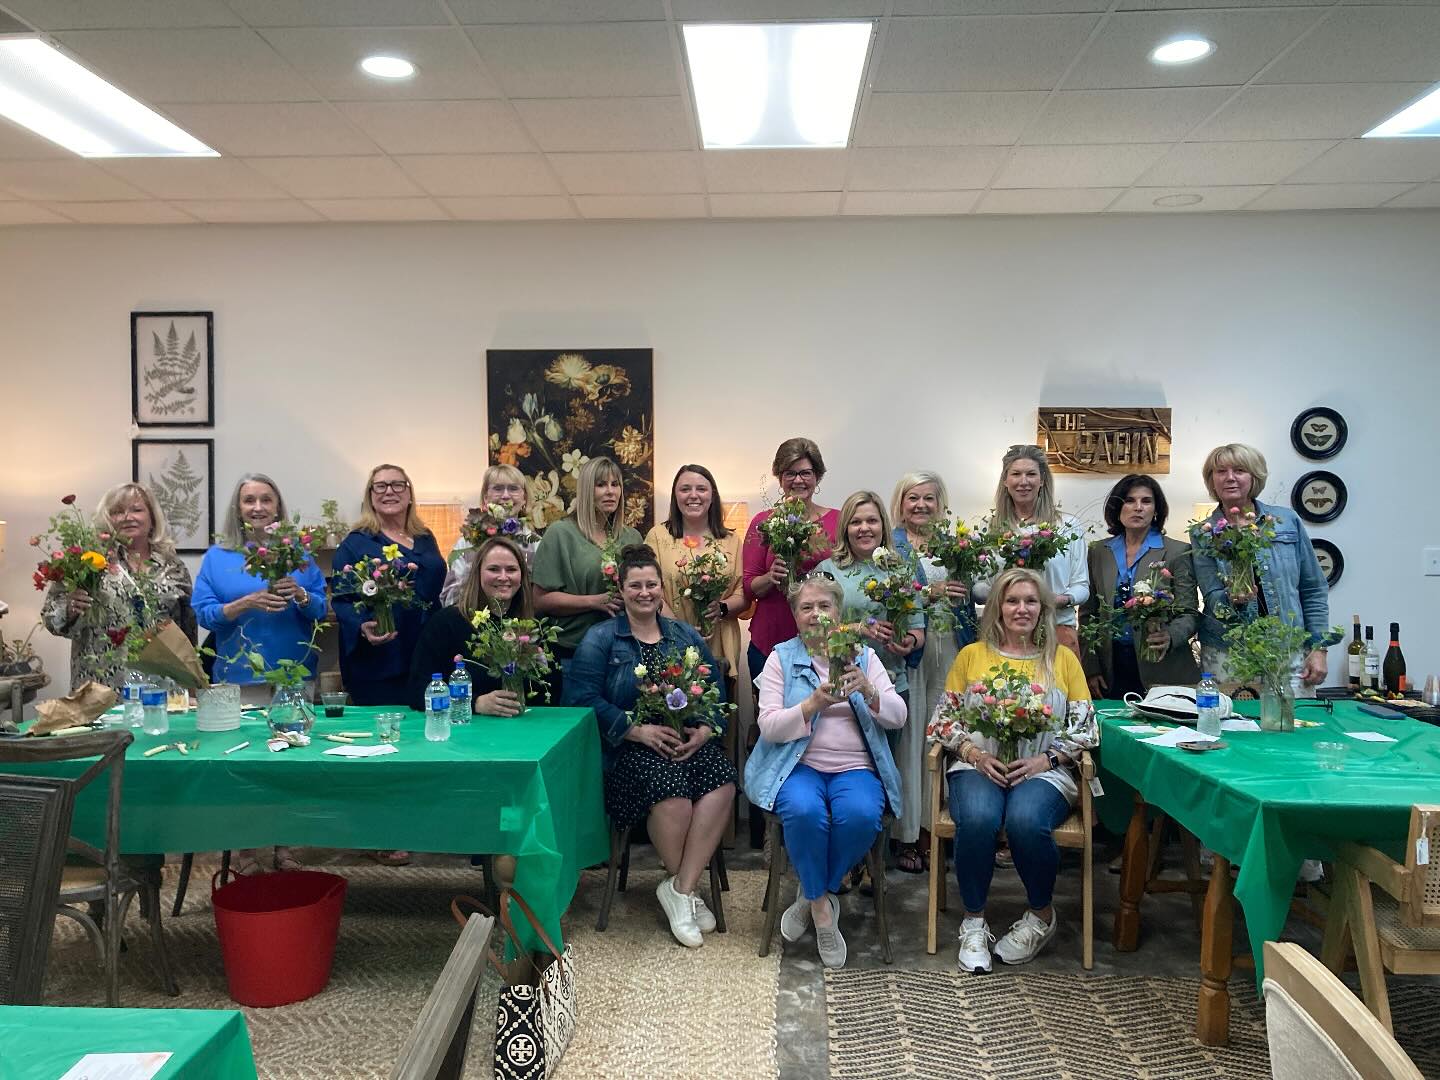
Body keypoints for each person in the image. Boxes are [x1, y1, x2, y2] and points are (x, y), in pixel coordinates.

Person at [562, 544, 736, 949]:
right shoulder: (601, 639)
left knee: (723, 782)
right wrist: (635, 730)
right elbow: (580, 699)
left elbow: (715, 691)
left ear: (662, 589)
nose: (644, 592)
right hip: (627, 751)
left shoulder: (684, 634)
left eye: (651, 584)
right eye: (635, 585)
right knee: (671, 793)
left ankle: (679, 889)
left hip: (685, 742)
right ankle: (687, 893)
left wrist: (706, 731)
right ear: (621, 590)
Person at [935, 568, 1097, 973]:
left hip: (1044, 769)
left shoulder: (1062, 659)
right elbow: (942, 720)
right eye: (1012, 601)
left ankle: (1041, 916)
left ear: (1043, 610)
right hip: (978, 765)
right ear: (997, 608)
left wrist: (1046, 760)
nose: (1021, 609)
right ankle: (973, 922)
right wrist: (974, 753)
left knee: (1025, 820)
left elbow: (1087, 727)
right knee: (978, 816)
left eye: (1030, 602)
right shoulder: (972, 655)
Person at [746, 574, 906, 968]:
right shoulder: (781, 658)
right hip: (797, 767)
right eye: (806, 607)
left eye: (824, 606)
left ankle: (812, 893)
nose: (816, 615)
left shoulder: (864, 656)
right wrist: (812, 704)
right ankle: (822, 912)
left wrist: (869, 691)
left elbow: (898, 717)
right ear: (795, 615)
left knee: (863, 815)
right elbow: (768, 726)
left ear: (838, 612)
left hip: (856, 769)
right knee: (803, 812)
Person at [193, 473, 327, 875]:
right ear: (238, 508)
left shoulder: (300, 554)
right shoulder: (219, 558)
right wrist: (242, 604)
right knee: (245, 765)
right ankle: (248, 851)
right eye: (249, 500)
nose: (257, 507)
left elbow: (321, 609)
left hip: (293, 673)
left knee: (294, 765)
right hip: (239, 675)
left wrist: (302, 595)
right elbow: (203, 613)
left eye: (266, 499)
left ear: (278, 506)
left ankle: (287, 847)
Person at [814, 491, 927, 872]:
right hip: (842, 686)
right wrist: (857, 628)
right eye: (856, 521)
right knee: (842, 776)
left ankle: (872, 860)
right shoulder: (829, 570)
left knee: (880, 772)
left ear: (884, 526)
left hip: (889, 684)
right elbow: (816, 627)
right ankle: (847, 863)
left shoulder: (901, 567)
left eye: (872, 520)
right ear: (845, 526)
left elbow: (917, 627)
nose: (864, 528)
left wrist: (907, 641)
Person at [889, 471, 978, 873]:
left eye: (929, 498)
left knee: (950, 737)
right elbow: (887, 594)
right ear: (901, 503)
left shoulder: (955, 544)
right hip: (913, 652)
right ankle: (908, 834)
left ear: (940, 504)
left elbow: (977, 590)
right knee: (913, 740)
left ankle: (940, 830)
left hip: (952, 650)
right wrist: (930, 593)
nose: (921, 505)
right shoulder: (891, 545)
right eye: (913, 498)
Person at [1190, 443, 1330, 688]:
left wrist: (1319, 649)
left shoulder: (1286, 521)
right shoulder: (1203, 533)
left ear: (1254, 477)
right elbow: (1211, 595)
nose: (1230, 478)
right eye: (1221, 471)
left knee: (1293, 722)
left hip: (1288, 647)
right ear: (1212, 480)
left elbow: (1313, 589)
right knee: (1233, 723)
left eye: (1240, 470)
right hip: (1228, 652)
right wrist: (1232, 599)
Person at [41, 483, 195, 691]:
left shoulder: (173, 566)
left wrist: (192, 682)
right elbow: (50, 617)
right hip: (101, 684)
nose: (127, 516)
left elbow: (187, 630)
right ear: (108, 520)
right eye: (118, 512)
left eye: (136, 509)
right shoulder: (87, 561)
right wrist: (69, 609)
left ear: (152, 518)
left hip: (162, 686)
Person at [332, 464, 446, 707]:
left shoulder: (425, 537)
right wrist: (362, 626)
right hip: (383, 658)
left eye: (397, 485)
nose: (389, 492)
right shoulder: (356, 544)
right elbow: (342, 599)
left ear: (409, 495)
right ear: (371, 497)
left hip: (426, 652)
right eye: (380, 486)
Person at [408, 535, 559, 712]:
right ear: (477, 573)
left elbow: (554, 692)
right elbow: (418, 691)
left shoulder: (537, 626)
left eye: (511, 570)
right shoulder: (446, 623)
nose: (503, 577)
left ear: (522, 576)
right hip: (466, 731)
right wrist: (475, 703)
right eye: (494, 569)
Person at [1082, 474, 1200, 700]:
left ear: (1156, 509)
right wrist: (1091, 667)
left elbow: (1189, 612)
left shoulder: (1177, 552)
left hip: (1162, 666)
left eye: (1146, 501)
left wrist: (1171, 636)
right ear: (1117, 507)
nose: (1138, 508)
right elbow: (1089, 615)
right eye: (1129, 500)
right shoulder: (1098, 551)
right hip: (1111, 668)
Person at [741, 437, 840, 683]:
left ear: (817, 476)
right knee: (772, 718)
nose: (798, 480)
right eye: (790, 473)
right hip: (771, 639)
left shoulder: (838, 521)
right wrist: (770, 577)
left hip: (823, 642)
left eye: (805, 473)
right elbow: (748, 585)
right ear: (779, 478)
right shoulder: (763, 522)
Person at [532, 456, 643, 671]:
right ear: (585, 491)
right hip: (572, 651)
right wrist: (594, 601)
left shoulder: (632, 537)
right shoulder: (560, 534)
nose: (610, 491)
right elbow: (540, 600)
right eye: (601, 485)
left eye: (615, 484)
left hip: (624, 651)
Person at [981, 445, 1089, 659]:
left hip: (1057, 629)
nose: (1024, 481)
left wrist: (1059, 600)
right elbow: (979, 585)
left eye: (1031, 474)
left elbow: (1082, 586)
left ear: (1042, 480)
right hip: (1004, 633)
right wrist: (1003, 597)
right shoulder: (989, 528)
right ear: (1005, 481)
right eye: (1016, 474)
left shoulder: (1068, 526)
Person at [643, 463, 745, 681]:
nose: (693, 495)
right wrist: (682, 631)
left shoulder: (731, 541)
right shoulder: (658, 536)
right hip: (670, 637)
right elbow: (651, 589)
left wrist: (722, 608)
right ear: (675, 495)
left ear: (712, 495)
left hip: (720, 639)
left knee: (719, 707)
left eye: (701, 489)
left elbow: (743, 592)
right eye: (685, 489)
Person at [441, 464, 535, 606]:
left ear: (524, 498)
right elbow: (449, 599)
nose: (505, 495)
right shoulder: (466, 543)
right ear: (485, 497)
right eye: (497, 488)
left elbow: (541, 598)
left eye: (513, 488)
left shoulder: (537, 545)